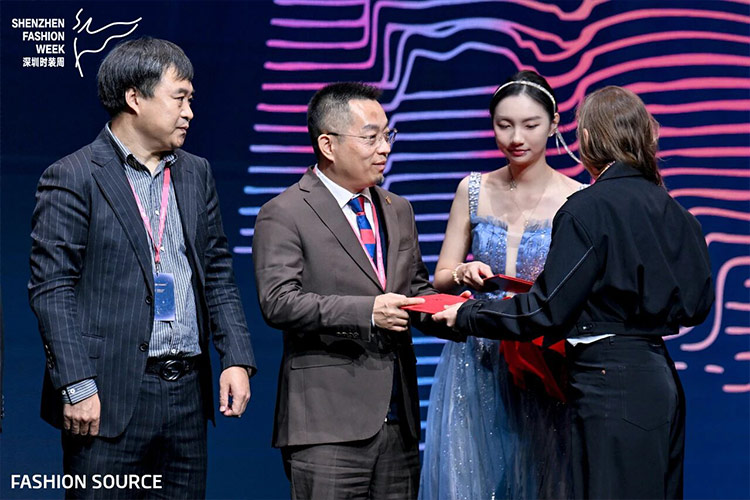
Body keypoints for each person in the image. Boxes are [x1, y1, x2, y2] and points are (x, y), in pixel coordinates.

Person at [433, 86, 714, 499]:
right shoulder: (676, 213)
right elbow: (697, 306)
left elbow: (545, 310)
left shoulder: (587, 207)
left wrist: (467, 315)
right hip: (660, 378)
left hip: (607, 382)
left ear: (585, 138)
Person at [28, 37, 256, 499]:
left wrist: (235, 356)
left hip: (186, 394)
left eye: (191, 99)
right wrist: (76, 384)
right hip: (106, 395)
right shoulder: (74, 175)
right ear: (135, 97)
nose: (190, 112)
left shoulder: (196, 172)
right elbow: (52, 288)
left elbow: (216, 270)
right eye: (180, 98)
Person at [253, 82, 460, 500]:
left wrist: (462, 310)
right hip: (326, 423)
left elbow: (414, 291)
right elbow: (279, 301)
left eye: (387, 135)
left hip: (398, 420)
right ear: (328, 145)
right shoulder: (285, 211)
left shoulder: (398, 209)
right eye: (371, 137)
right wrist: (367, 312)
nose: (385, 147)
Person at [419, 70, 583, 500]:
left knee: (541, 475)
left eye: (530, 125)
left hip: (540, 353)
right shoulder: (473, 189)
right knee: (472, 477)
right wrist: (462, 273)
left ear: (554, 123)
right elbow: (440, 276)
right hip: (476, 354)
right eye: (504, 125)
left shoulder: (578, 198)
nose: (516, 137)